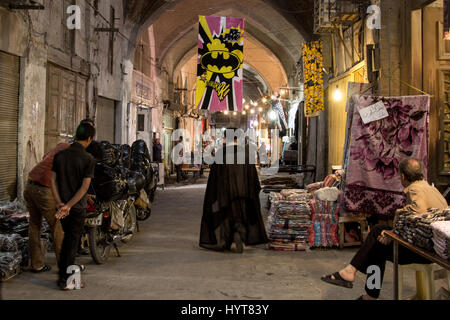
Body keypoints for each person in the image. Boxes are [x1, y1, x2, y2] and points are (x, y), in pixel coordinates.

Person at [321, 158, 448, 300]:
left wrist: (394, 233)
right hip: (436, 252)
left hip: (421, 253)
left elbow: (418, 219)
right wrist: (392, 232)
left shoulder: (414, 191)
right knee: (378, 236)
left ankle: (357, 280)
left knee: (377, 243)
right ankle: (354, 277)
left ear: (403, 176)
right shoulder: (433, 190)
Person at [199, 131, 268, 253]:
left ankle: (226, 240)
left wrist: (215, 193)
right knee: (241, 215)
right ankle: (239, 234)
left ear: (225, 138)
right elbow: (253, 176)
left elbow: (214, 177)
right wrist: (252, 190)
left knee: (226, 216)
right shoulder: (246, 154)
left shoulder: (222, 153)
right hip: (244, 194)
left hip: (225, 194)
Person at [51, 123, 96, 290]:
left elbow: (52, 180)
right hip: (76, 209)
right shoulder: (88, 159)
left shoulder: (60, 155)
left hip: (62, 206)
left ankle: (64, 278)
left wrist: (59, 203)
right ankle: (67, 281)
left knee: (68, 242)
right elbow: (84, 187)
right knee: (71, 245)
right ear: (89, 138)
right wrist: (69, 206)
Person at [25, 142, 70, 273]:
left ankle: (37, 264)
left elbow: (46, 158)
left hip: (30, 185)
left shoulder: (61, 145)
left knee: (34, 225)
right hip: (44, 190)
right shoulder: (74, 152)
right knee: (57, 225)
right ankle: (64, 266)